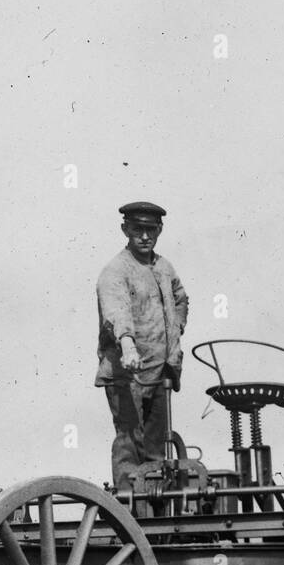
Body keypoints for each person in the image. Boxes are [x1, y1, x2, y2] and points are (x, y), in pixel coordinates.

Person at [95, 201, 189, 488]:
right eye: (138, 229)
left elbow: (181, 299)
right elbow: (116, 312)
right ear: (125, 229)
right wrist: (128, 347)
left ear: (159, 230)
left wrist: (175, 333)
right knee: (129, 445)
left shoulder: (164, 267)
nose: (144, 236)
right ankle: (129, 512)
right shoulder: (116, 271)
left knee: (156, 449)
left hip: (160, 372)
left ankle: (157, 518)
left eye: (150, 230)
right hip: (128, 374)